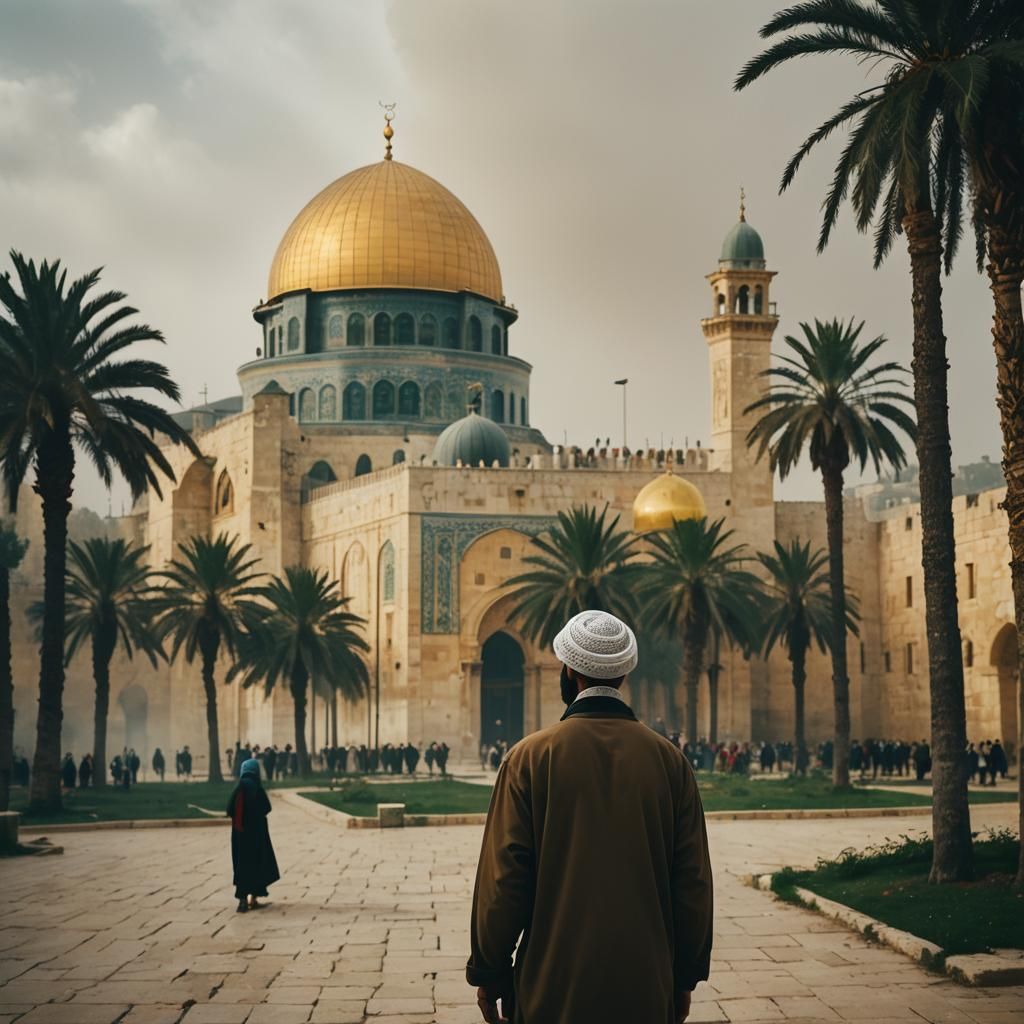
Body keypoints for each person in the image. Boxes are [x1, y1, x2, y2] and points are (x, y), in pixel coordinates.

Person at [467, 610, 713, 1024]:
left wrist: (489, 970)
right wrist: (685, 976)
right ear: (624, 674)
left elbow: (505, 877)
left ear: (568, 671)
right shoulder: (669, 761)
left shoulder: (529, 758)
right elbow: (691, 879)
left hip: (550, 986)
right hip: (646, 983)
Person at [226, 758, 280, 913]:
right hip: (256, 835)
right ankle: (254, 897)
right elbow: (266, 807)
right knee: (257, 863)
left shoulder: (239, 788)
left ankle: (242, 900)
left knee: (242, 864)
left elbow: (229, 809)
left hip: (240, 835)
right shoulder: (257, 788)